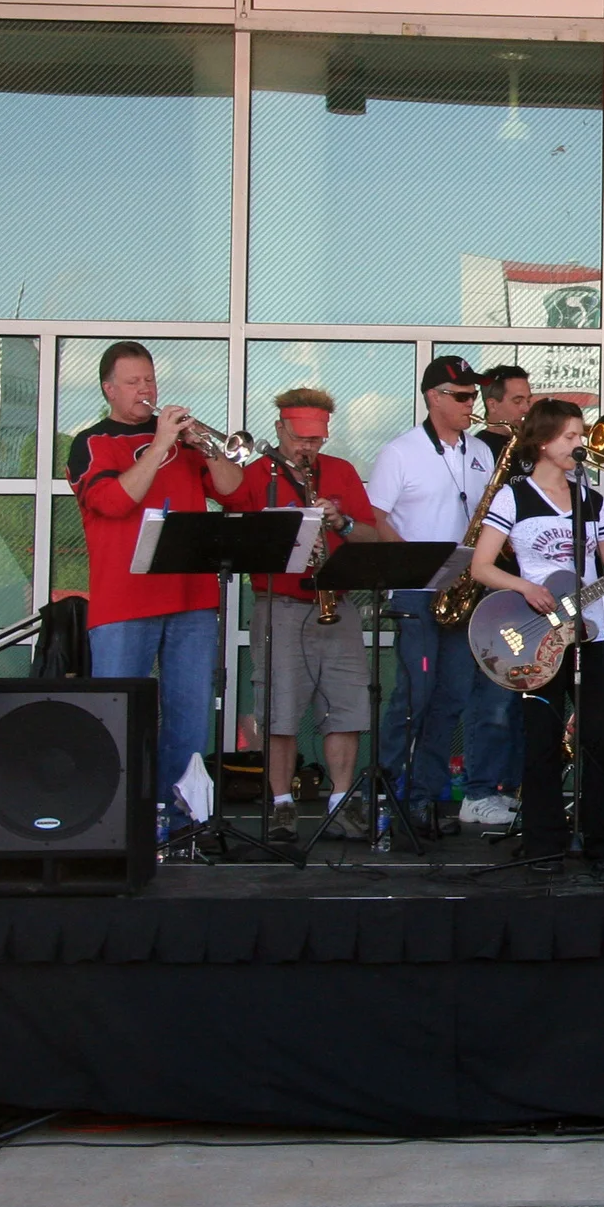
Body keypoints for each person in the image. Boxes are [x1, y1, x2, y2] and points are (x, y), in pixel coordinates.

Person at [470, 400, 604, 871]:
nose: (578, 444)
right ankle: (544, 844)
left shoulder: (592, 500)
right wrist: (525, 587)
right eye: (569, 436)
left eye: (580, 436)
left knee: (601, 736)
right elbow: (481, 566)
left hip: (592, 631)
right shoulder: (514, 497)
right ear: (543, 441)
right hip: (537, 633)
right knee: (542, 737)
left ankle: (602, 843)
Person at [67, 341, 247, 831]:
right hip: (125, 602)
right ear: (108, 389)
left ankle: (181, 823)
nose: (145, 389)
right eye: (133, 382)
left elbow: (233, 492)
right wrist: (161, 444)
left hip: (192, 599)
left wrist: (207, 448)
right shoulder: (92, 442)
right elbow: (114, 501)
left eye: (149, 379)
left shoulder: (184, 445)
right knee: (118, 716)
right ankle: (115, 824)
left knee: (189, 719)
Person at [236, 388, 399, 843]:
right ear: (279, 429)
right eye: (300, 438)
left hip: (337, 605)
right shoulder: (257, 475)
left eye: (317, 439)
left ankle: (341, 803)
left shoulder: (341, 471)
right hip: (280, 604)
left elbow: (372, 536)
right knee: (279, 710)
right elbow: (235, 524)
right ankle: (281, 806)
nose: (308, 448)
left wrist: (341, 523)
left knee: (347, 707)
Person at [367, 355, 497, 841]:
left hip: (464, 593)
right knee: (413, 697)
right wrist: (417, 567)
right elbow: (376, 518)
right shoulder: (400, 452)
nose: (471, 404)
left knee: (451, 700)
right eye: (462, 396)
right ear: (433, 397)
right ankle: (384, 792)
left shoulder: (480, 452)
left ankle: (425, 797)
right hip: (417, 592)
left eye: (473, 396)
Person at [456, 362, 537, 833]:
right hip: (491, 586)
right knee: (492, 699)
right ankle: (479, 791)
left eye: (529, 400)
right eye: (518, 400)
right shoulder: (479, 449)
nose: (527, 408)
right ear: (493, 404)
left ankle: (511, 789)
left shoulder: (530, 451)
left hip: (530, 589)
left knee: (520, 697)